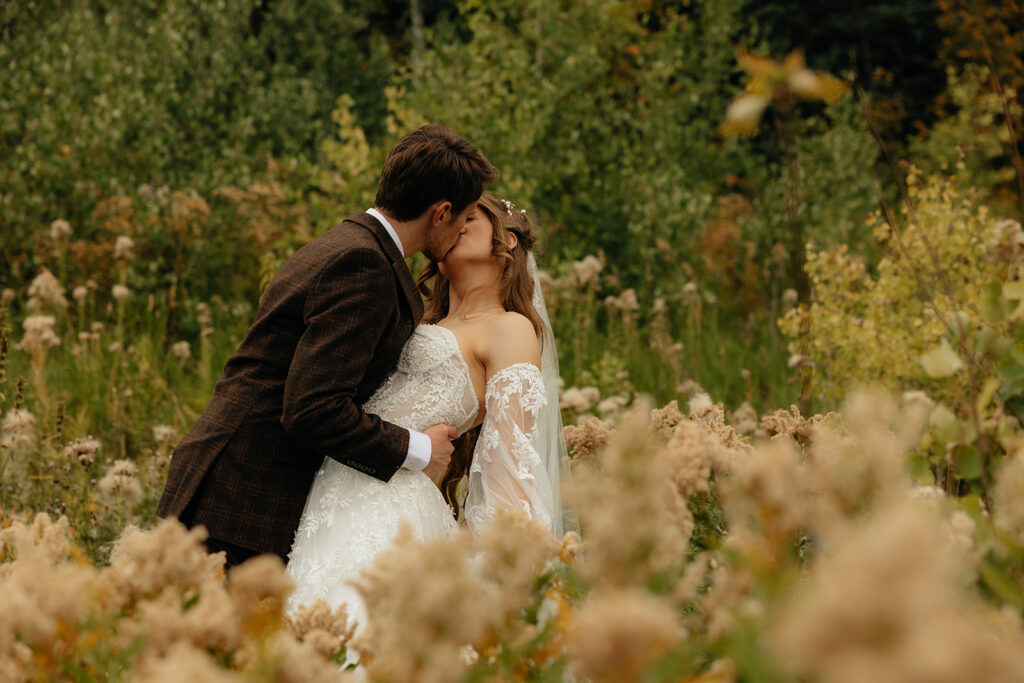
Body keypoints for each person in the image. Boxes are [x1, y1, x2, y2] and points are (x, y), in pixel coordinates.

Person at [156, 125, 499, 568]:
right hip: (239, 498)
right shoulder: (364, 265)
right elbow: (311, 408)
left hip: (229, 486)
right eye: (463, 218)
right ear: (440, 213)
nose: (460, 233)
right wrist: (417, 449)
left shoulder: (347, 244)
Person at [285, 192, 567, 627]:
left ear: (508, 240)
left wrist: (494, 572)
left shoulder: (508, 329)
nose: (456, 225)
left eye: (470, 217)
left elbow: (511, 469)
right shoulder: (414, 320)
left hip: (392, 512)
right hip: (327, 500)